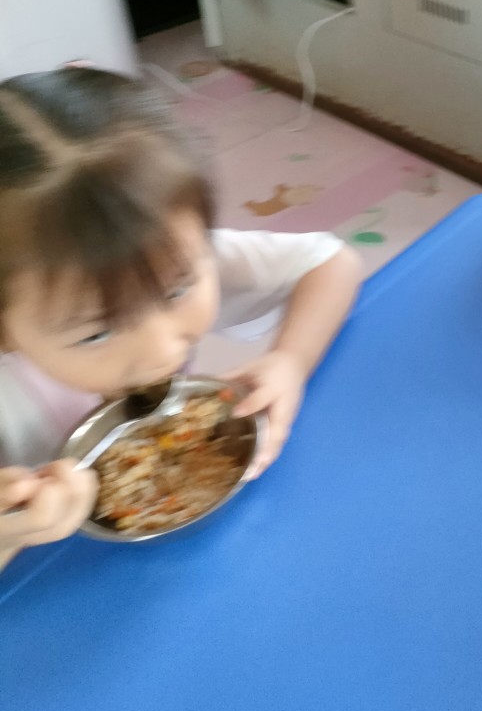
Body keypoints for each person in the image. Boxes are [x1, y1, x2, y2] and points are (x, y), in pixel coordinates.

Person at [0, 67, 362, 569]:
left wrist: (289, 361)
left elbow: (332, 263)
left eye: (177, 291)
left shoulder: (159, 255)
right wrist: (11, 534)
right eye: (97, 333)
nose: (164, 351)